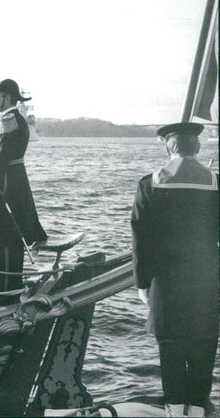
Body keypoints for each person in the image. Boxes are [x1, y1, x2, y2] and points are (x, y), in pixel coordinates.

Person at [130, 122, 218, 417]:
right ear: (197, 147)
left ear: (168, 146)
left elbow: (141, 240)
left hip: (166, 282)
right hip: (207, 280)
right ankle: (198, 408)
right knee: (203, 345)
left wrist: (142, 284)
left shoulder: (149, 184)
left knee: (170, 347)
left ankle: (176, 408)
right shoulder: (216, 183)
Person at [0, 79, 47, 305]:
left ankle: (7, 294)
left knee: (10, 236)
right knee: (10, 237)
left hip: (8, 184)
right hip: (15, 181)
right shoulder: (15, 118)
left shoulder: (9, 119)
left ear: (7, 98)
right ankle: (7, 289)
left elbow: (2, 156)